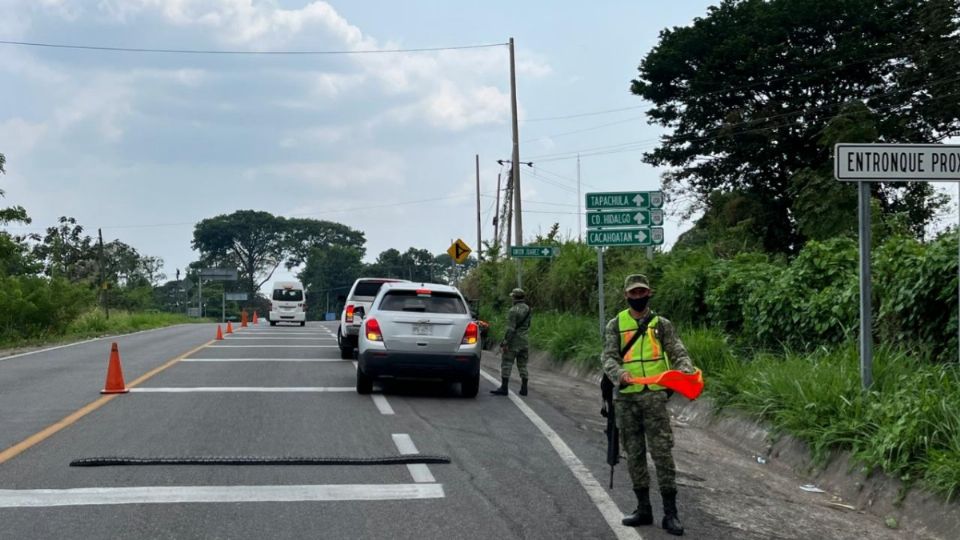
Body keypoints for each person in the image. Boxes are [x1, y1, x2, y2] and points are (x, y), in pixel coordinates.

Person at [601, 274, 696, 536]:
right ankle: (643, 508)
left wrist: (684, 373)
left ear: (649, 294)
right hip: (627, 398)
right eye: (634, 293)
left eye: (642, 292)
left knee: (663, 454)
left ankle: (670, 514)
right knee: (634, 454)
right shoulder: (615, 324)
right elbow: (608, 358)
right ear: (626, 296)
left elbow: (678, 352)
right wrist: (619, 374)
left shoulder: (661, 324)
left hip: (655, 397)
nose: (638, 297)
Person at [490, 288, 532, 396]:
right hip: (525, 341)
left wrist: (505, 342)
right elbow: (528, 325)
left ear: (514, 297)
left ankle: (504, 388)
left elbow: (511, 329)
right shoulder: (528, 309)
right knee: (523, 365)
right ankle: (524, 388)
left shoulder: (513, 310)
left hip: (514, 341)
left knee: (507, 363)